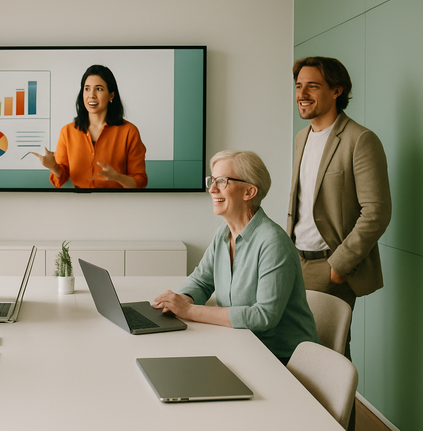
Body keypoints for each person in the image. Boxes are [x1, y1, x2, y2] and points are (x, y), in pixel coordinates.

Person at [154, 150, 318, 364]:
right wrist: (183, 299)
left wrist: (190, 310)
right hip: (241, 345)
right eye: (212, 181)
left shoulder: (273, 242)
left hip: (283, 360)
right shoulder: (222, 235)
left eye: (222, 182)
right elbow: (202, 281)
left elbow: (264, 316)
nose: (212, 189)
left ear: (249, 191)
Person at [287, 56, 391, 358]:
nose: (302, 94)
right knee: (295, 349)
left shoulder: (361, 140)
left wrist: (339, 266)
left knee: (327, 356)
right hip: (296, 262)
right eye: (298, 86)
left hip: (330, 265)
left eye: (312, 87)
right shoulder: (301, 137)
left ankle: (339, 408)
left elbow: (377, 211)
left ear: (336, 91)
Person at [31, 64, 147, 189]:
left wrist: (117, 177)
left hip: (116, 202)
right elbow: (61, 179)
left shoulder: (129, 132)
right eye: (87, 89)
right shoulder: (67, 132)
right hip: (80, 203)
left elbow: (140, 182)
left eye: (99, 89)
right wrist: (53, 166)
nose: (91, 95)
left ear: (111, 95)